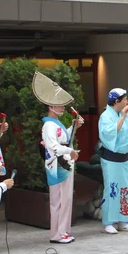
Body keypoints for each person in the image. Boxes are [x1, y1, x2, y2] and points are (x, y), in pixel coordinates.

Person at [33, 72, 83, 244]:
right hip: (56, 164)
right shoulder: (48, 125)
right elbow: (53, 146)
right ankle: (57, 233)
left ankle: (63, 231)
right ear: (50, 106)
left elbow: (63, 138)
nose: (62, 107)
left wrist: (73, 126)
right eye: (59, 105)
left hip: (62, 162)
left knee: (65, 198)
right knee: (58, 200)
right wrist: (70, 152)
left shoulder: (55, 124)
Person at [99, 88, 128, 234]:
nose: (127, 102)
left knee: (126, 190)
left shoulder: (124, 115)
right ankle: (108, 222)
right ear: (117, 101)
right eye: (125, 99)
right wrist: (123, 117)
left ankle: (123, 221)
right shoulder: (105, 116)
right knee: (112, 189)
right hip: (111, 159)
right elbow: (110, 133)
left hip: (125, 159)